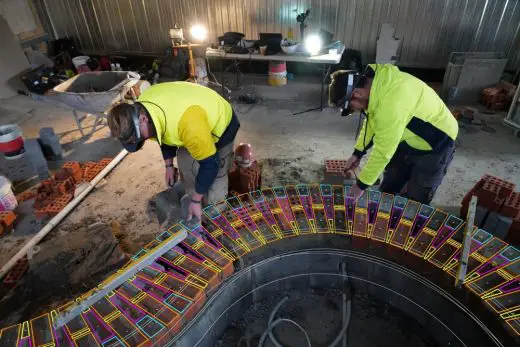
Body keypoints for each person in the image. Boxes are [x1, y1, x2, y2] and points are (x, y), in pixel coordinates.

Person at [107, 82, 240, 221]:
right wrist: (169, 166)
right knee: (184, 157)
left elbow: (210, 164)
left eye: (137, 138)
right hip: (191, 120)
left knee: (217, 173)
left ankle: (215, 213)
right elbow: (162, 133)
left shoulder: (188, 126)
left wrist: (195, 201)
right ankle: (195, 197)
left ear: (143, 119)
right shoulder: (143, 107)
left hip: (222, 123)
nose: (138, 142)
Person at [328, 64, 458, 204]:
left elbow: (383, 152)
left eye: (352, 107)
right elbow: (372, 120)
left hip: (436, 142)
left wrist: (361, 186)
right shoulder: (378, 85)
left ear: (357, 94)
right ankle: (386, 213)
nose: (355, 110)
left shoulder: (391, 103)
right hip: (404, 138)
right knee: (390, 185)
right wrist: (357, 153)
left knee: (417, 197)